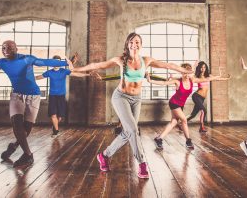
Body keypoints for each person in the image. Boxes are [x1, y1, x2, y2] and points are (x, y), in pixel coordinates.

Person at [70, 32, 193, 179]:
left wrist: (183, 70)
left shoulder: (146, 60)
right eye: (132, 42)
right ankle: (142, 164)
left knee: (128, 132)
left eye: (137, 42)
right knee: (133, 130)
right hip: (121, 97)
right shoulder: (120, 60)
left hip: (137, 98)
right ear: (127, 45)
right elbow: (97, 65)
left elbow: (166, 65)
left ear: (141, 45)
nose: (134, 44)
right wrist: (74, 69)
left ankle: (104, 156)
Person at [0, 40, 70, 167]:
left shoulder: (26, 59)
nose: (6, 50)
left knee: (26, 129)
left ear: (16, 49)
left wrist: (65, 63)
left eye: (9, 48)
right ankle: (28, 155)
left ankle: (13, 146)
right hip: (17, 95)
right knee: (16, 123)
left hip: (33, 96)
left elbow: (45, 62)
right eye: (3, 48)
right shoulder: (1, 63)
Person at [149, 64, 230, 150]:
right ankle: (188, 140)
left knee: (174, 122)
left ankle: (159, 138)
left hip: (180, 105)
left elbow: (207, 79)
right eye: (184, 73)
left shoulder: (192, 80)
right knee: (184, 120)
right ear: (181, 73)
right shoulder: (177, 81)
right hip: (174, 103)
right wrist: (150, 81)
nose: (186, 75)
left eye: (188, 73)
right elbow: (164, 83)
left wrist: (219, 76)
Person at [35, 55, 99, 137]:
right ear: (52, 62)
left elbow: (76, 74)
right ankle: (56, 131)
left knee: (60, 117)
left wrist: (88, 75)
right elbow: (38, 77)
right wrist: (25, 78)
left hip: (61, 96)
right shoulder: (49, 72)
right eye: (54, 62)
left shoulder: (64, 71)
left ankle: (55, 127)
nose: (56, 64)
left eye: (58, 62)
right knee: (53, 114)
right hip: (52, 96)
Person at [186, 61, 222, 133]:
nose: (203, 69)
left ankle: (181, 123)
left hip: (202, 98)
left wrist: (226, 78)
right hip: (196, 96)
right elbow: (191, 76)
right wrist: (194, 66)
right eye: (201, 67)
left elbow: (217, 78)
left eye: (204, 67)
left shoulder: (209, 76)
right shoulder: (197, 76)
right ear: (199, 68)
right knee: (204, 111)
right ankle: (201, 127)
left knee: (193, 114)